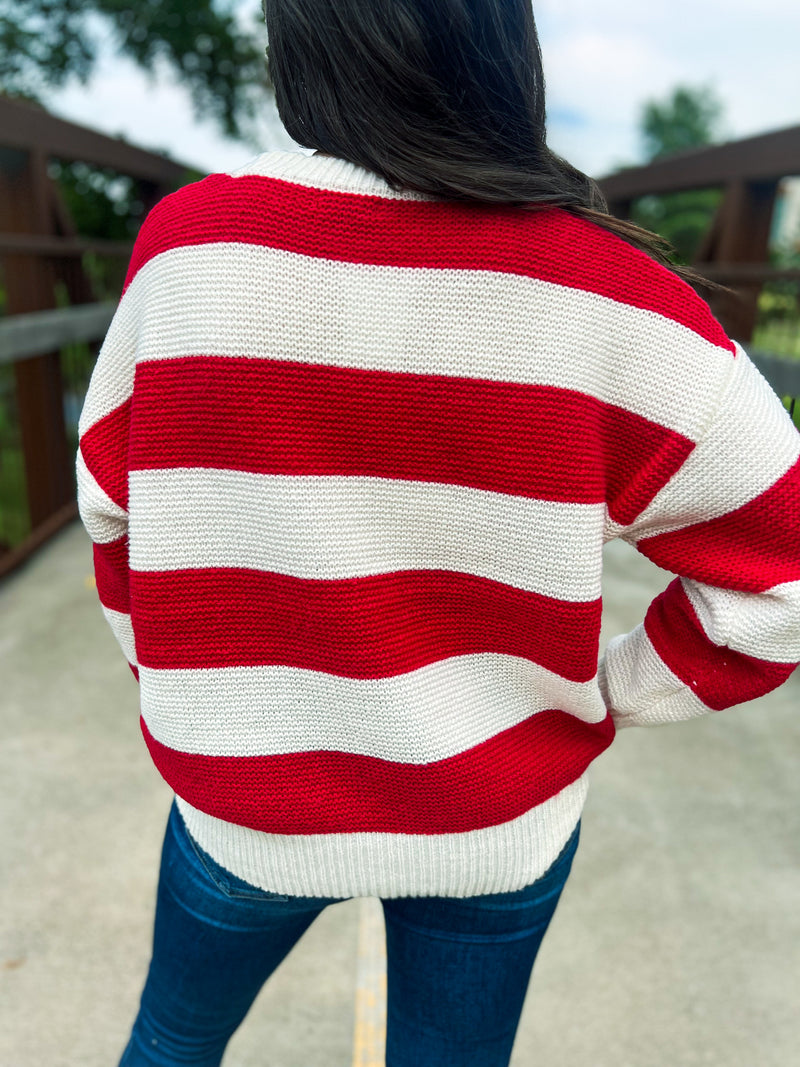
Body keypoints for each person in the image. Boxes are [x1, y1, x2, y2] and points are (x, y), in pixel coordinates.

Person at [76, 1, 800, 1064]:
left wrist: (191, 683)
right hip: (495, 821)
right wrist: (613, 691)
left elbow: (112, 508)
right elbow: (777, 585)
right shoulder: (620, 301)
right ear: (506, 48)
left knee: (171, 1042)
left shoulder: (190, 248)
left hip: (242, 801)